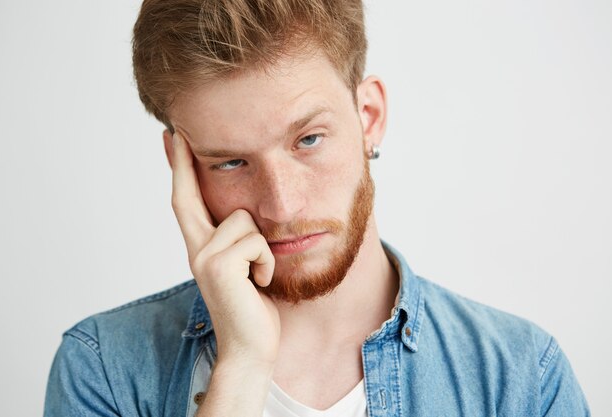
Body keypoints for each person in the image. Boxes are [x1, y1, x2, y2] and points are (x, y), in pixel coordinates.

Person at [44, 0, 590, 416]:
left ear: (369, 116)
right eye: (230, 162)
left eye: (308, 140)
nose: (282, 206)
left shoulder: (521, 378)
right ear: (181, 165)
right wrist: (241, 364)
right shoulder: (104, 368)